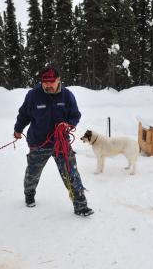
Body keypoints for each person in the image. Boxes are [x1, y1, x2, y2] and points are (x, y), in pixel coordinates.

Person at [14, 66, 94, 217]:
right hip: (38, 143)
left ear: (58, 80)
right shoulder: (33, 95)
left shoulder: (67, 96)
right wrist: (18, 130)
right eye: (45, 82)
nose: (48, 85)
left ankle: (81, 206)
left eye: (52, 82)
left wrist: (68, 124)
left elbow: (75, 115)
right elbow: (23, 114)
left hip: (61, 143)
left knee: (72, 173)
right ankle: (29, 194)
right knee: (33, 173)